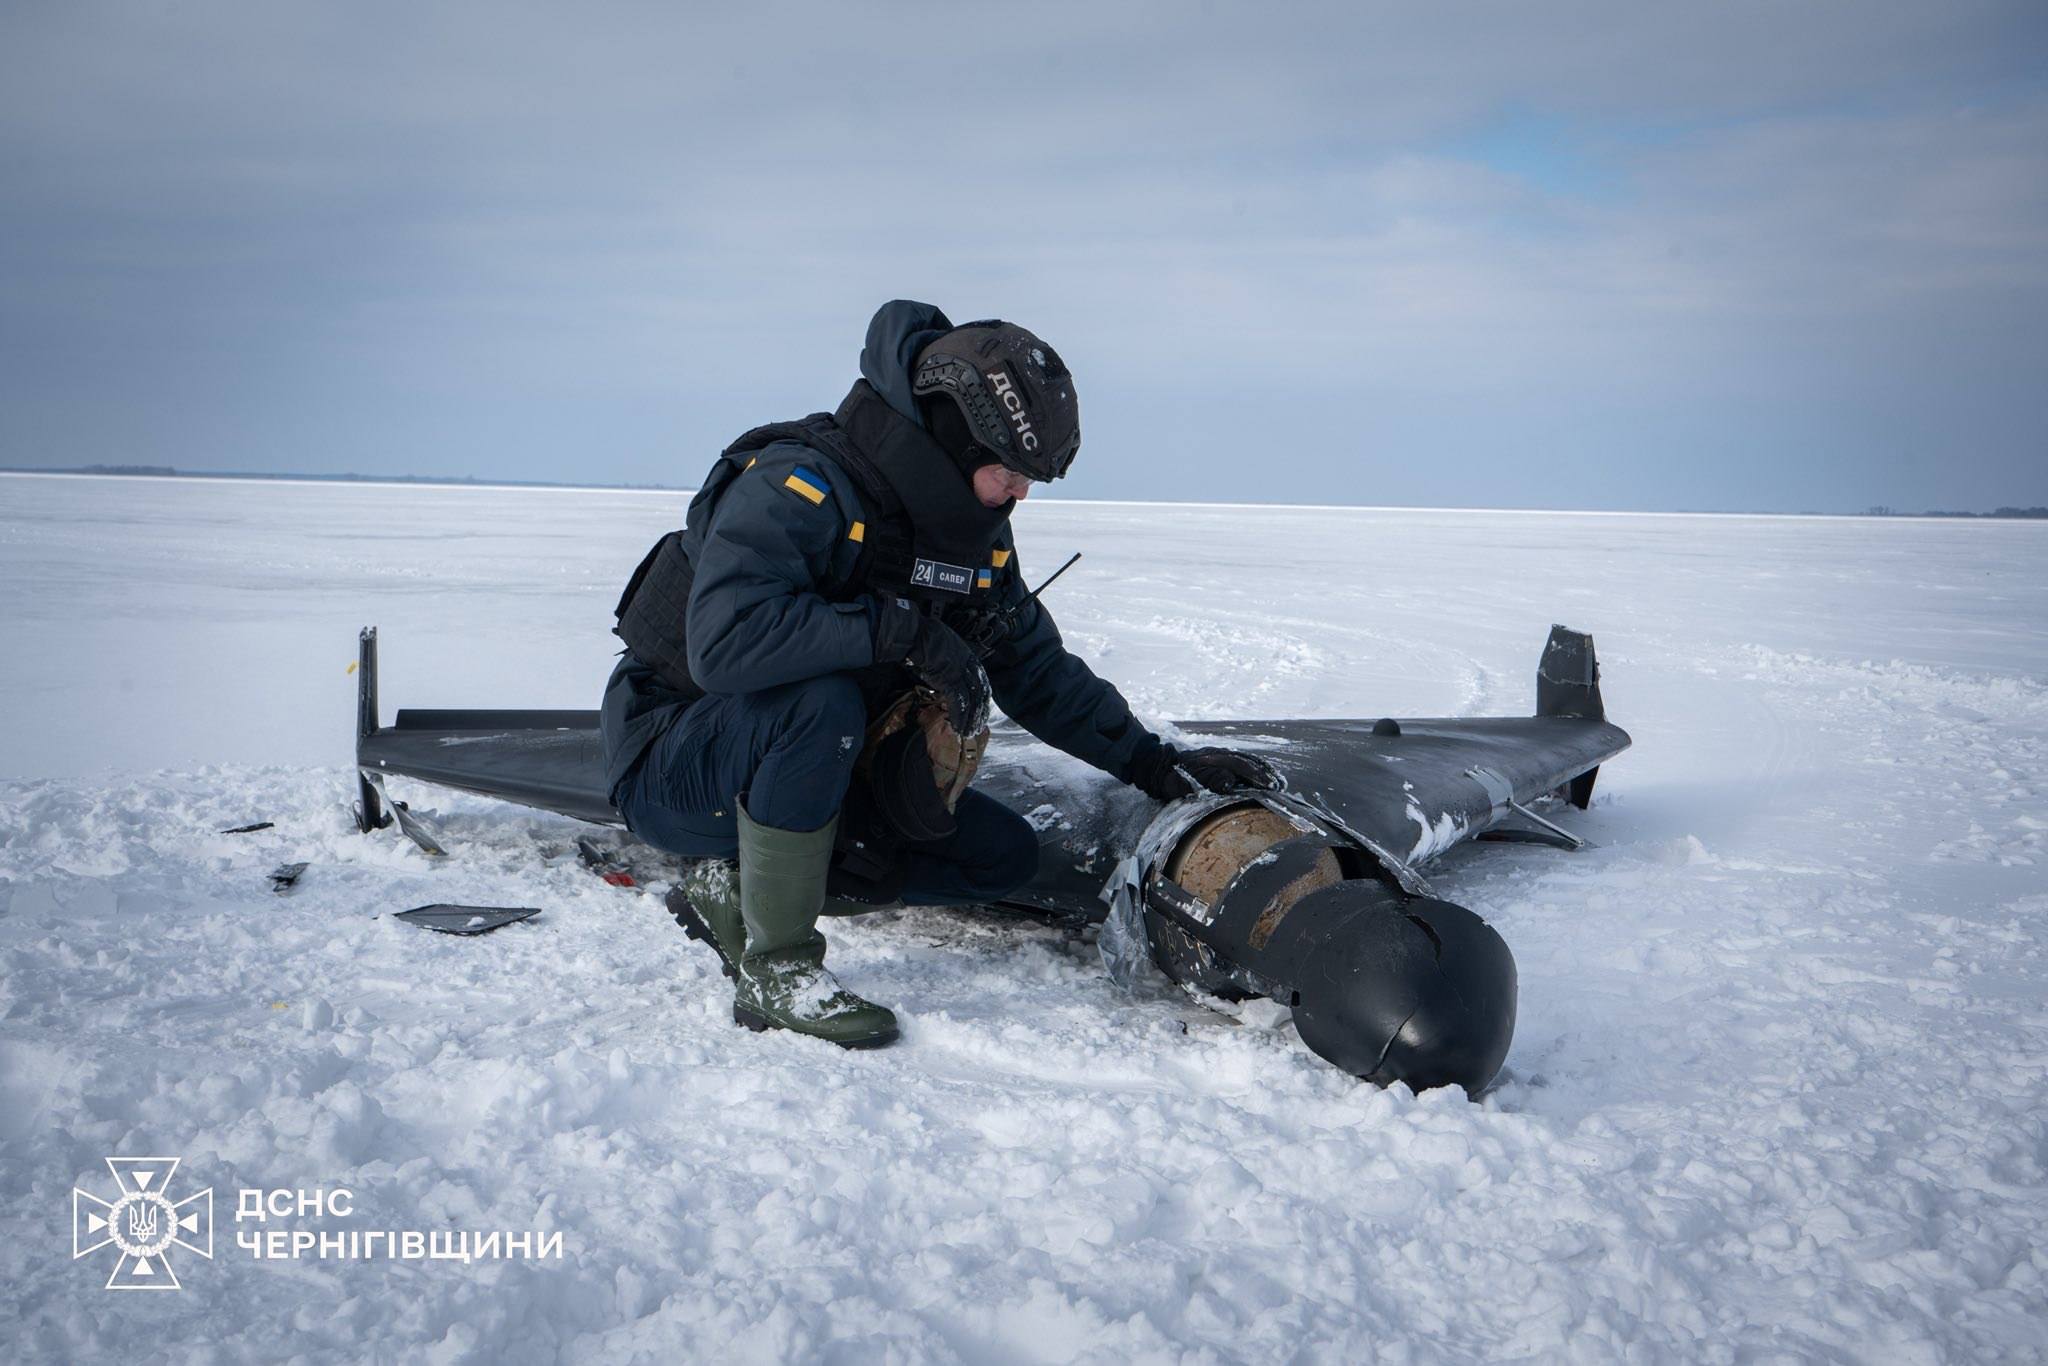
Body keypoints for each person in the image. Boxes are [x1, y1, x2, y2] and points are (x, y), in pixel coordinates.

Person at [601, 300, 1276, 1048]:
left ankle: (733, 886)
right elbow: (727, 644)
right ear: (955, 441)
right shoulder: (802, 484)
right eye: (1010, 473)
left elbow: (1034, 667)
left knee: (999, 856)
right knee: (816, 705)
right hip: (676, 757)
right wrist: (902, 632)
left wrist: (1154, 763)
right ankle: (777, 968)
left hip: (816, 767)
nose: (1020, 495)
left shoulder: (971, 537)